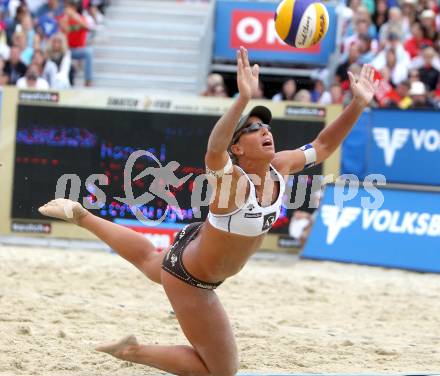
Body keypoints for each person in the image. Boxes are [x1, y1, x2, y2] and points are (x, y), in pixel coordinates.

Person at [38, 47, 379, 376]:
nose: (265, 132)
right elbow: (214, 151)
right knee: (222, 370)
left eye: (267, 128)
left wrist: (357, 104)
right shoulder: (232, 183)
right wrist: (242, 99)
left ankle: (83, 216)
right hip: (193, 280)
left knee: (149, 260)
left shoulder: (280, 167)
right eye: (253, 129)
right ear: (237, 148)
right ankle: (133, 351)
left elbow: (322, 145)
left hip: (195, 248)